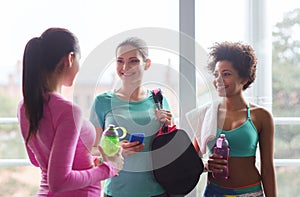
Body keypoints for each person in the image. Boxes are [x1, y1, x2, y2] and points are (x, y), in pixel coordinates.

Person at [17, 27, 124, 197]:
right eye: (79, 60)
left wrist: (89, 162)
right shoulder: (68, 111)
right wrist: (108, 168)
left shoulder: (24, 106)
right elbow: (59, 181)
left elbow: (37, 160)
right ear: (70, 58)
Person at [186, 41, 277, 196]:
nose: (218, 81)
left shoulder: (261, 116)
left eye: (226, 74)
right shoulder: (207, 113)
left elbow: (267, 167)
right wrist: (206, 164)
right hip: (214, 192)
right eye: (216, 75)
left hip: (250, 193)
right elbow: (191, 162)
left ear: (244, 78)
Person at [89, 37, 174, 197]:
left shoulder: (159, 101)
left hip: (157, 192)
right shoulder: (102, 102)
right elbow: (91, 150)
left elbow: (172, 149)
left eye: (133, 61)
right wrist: (116, 151)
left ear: (146, 64)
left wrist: (168, 125)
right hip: (116, 191)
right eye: (120, 61)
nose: (125, 67)